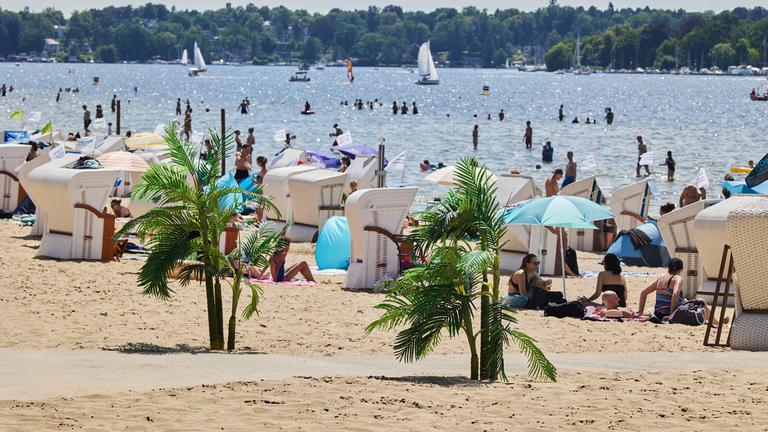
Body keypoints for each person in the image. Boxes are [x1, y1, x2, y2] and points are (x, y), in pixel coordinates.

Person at [636, 258, 724, 325]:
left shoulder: (660, 279)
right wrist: (671, 315)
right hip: (668, 314)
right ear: (681, 270)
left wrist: (640, 311)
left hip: (658, 314)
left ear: (668, 268)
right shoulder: (677, 278)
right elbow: (675, 294)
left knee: (686, 300)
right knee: (701, 301)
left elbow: (643, 293)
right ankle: (717, 323)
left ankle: (717, 321)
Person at [248, 240, 315, 283]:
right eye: (288, 246)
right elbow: (278, 266)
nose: (289, 248)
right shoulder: (283, 254)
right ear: (284, 246)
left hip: (277, 276)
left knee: (297, 264)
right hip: (281, 278)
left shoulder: (274, 253)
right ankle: (312, 280)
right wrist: (276, 280)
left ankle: (309, 278)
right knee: (303, 263)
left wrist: (260, 276)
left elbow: (266, 266)